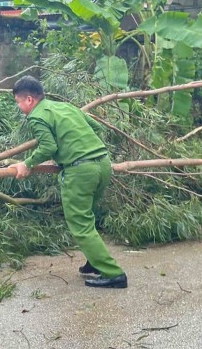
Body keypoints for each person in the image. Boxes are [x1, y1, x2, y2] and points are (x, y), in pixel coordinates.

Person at [10, 75, 127, 288]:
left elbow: (48, 148)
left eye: (18, 102)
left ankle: (113, 274)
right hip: (103, 165)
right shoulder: (65, 106)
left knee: (80, 224)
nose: (19, 107)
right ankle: (95, 261)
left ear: (29, 100)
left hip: (80, 171)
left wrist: (26, 164)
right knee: (87, 217)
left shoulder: (36, 116)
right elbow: (97, 128)